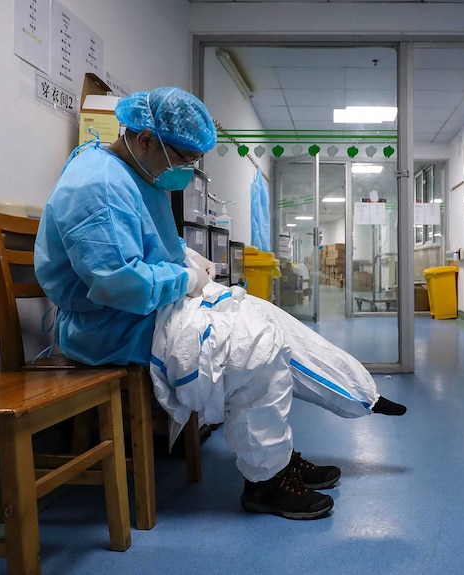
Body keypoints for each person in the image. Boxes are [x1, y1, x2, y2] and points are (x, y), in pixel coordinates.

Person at [35, 86, 406, 521]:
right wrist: (186, 277)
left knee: (264, 317)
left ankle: (346, 404)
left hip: (154, 311)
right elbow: (119, 284)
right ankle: (266, 481)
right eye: (185, 159)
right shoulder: (95, 183)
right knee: (255, 345)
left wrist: (188, 263)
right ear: (145, 140)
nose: (190, 171)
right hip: (114, 327)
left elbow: (155, 247)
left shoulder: (138, 173)